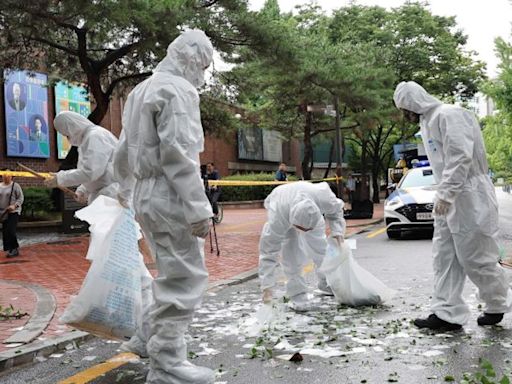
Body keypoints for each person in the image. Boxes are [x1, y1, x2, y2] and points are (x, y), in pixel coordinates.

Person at [113, 30, 215, 384]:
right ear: (190, 58)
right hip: (169, 194)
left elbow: (123, 149)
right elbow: (180, 154)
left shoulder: (140, 90)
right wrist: (199, 208)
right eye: (202, 65)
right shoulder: (178, 91)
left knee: (169, 273)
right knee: (184, 278)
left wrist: (125, 188)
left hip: (145, 193)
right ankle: (167, 363)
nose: (202, 74)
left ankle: (147, 338)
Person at [393, 81, 512, 330]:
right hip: (448, 195)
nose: (404, 114)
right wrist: (444, 195)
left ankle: (496, 303)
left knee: (476, 256)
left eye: (405, 108)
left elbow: (460, 156)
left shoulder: (449, 114)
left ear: (414, 102)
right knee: (444, 256)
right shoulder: (427, 122)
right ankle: (446, 313)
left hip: (470, 195)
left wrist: (446, 194)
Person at [259, 181, 346, 311]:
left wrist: (337, 232)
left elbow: (336, 211)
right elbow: (268, 252)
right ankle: (297, 293)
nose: (303, 232)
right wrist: (267, 287)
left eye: (307, 229)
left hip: (308, 210)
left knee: (320, 249)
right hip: (283, 205)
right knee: (291, 255)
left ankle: (327, 283)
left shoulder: (324, 197)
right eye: (301, 228)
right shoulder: (278, 218)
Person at [44, 111, 119, 205]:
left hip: (112, 196)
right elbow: (96, 173)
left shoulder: (95, 136)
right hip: (106, 196)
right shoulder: (89, 138)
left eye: (67, 135)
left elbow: (91, 172)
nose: (68, 139)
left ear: (71, 127)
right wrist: (83, 190)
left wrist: (61, 178)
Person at [1, 171, 24, 257]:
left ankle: (14, 249)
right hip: (3, 212)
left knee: (11, 230)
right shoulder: (0, 186)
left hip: (13, 212)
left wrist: (15, 206)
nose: (6, 177)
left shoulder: (15, 186)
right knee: (5, 232)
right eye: (4, 175)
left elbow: (20, 198)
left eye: (8, 175)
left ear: (11, 176)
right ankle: (9, 249)